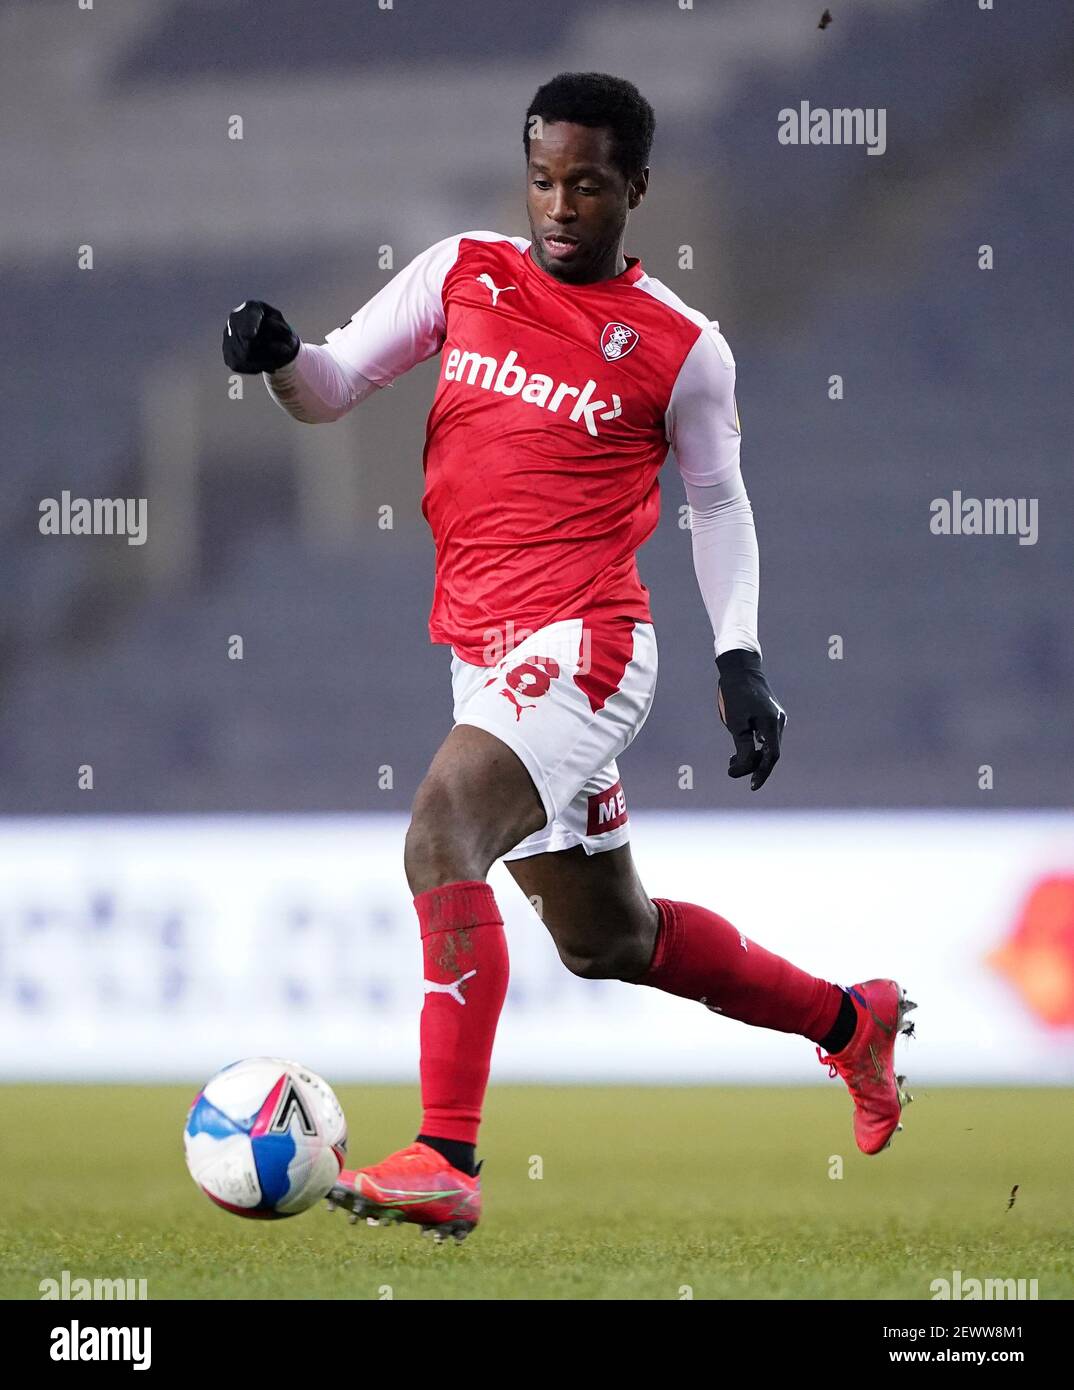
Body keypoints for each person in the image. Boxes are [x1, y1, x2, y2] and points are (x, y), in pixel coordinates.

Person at [222, 71, 914, 1244]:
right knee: (607, 940)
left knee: (441, 831)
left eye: (587, 185)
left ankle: (447, 1153)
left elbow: (720, 504)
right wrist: (283, 354)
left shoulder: (683, 348)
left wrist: (740, 656)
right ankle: (855, 1022)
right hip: (480, 652)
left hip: (587, 642)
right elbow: (333, 389)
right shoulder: (460, 274)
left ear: (634, 187)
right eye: (543, 180)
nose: (559, 205)